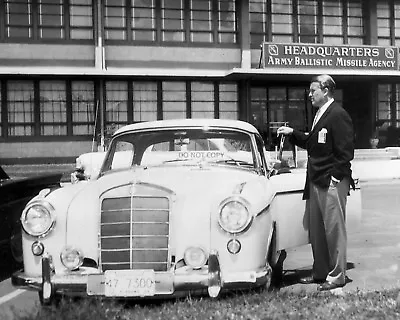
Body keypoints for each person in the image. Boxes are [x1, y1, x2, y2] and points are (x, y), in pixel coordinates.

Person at [277, 74, 355, 291]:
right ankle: (321, 271)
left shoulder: (338, 115)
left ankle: (337, 276)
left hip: (330, 181)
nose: (309, 94)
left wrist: (335, 178)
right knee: (317, 231)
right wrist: (293, 133)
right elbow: (314, 143)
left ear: (326, 90)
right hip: (315, 180)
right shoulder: (320, 113)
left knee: (334, 231)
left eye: (313, 90)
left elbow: (346, 151)